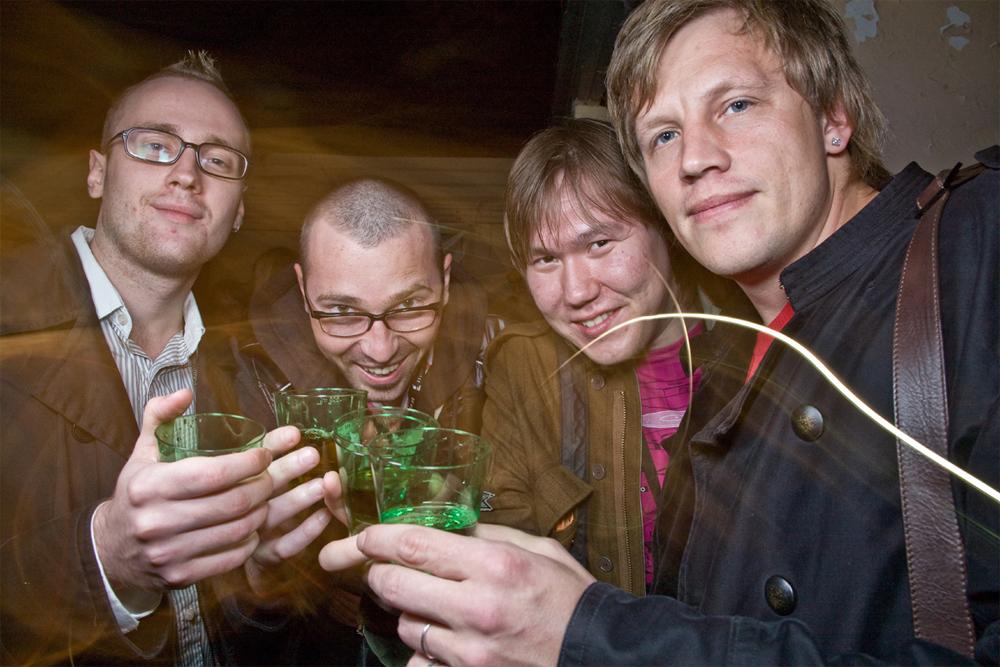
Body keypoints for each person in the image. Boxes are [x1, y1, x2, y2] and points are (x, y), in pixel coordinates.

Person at [318, 1, 998, 665]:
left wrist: (588, 635)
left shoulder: (979, 245)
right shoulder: (737, 359)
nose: (695, 157)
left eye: (736, 104)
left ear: (833, 116)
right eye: (663, 135)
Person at [0, 52, 331, 665]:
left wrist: (262, 583)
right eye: (155, 145)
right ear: (97, 173)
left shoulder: (254, 368)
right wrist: (105, 559)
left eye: (218, 160)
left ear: (239, 210)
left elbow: (245, 630)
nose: (186, 174)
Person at [478, 119, 713, 595]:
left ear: (664, 228)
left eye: (599, 243)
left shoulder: (761, 349)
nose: (576, 292)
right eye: (546, 259)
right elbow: (505, 552)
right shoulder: (523, 368)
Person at [235, 177, 503, 433]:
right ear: (304, 291)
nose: (381, 352)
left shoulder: (503, 357)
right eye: (343, 310)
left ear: (444, 282)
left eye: (408, 304)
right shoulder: (250, 376)